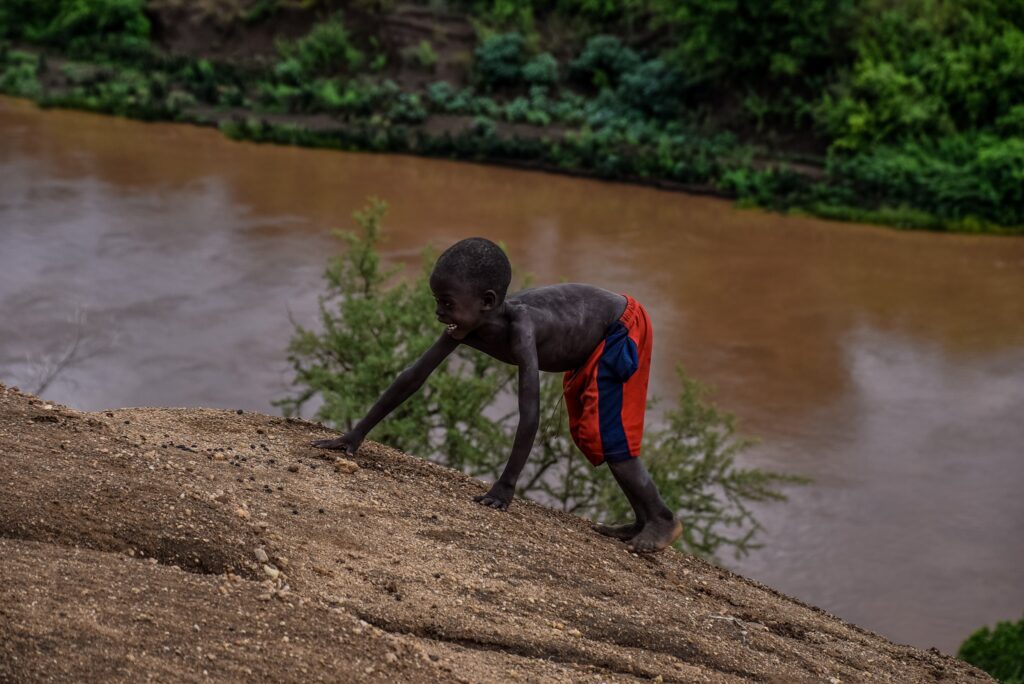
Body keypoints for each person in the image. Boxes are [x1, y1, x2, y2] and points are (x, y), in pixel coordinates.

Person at [314, 237, 682, 552]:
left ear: (487, 302)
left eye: (446, 303)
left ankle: (660, 518)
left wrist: (507, 485)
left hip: (620, 326)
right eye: (437, 301)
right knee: (592, 431)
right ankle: (642, 519)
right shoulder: (467, 324)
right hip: (594, 329)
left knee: (606, 430)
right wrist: (356, 435)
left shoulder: (522, 330)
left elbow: (530, 414)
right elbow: (413, 376)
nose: (439, 312)